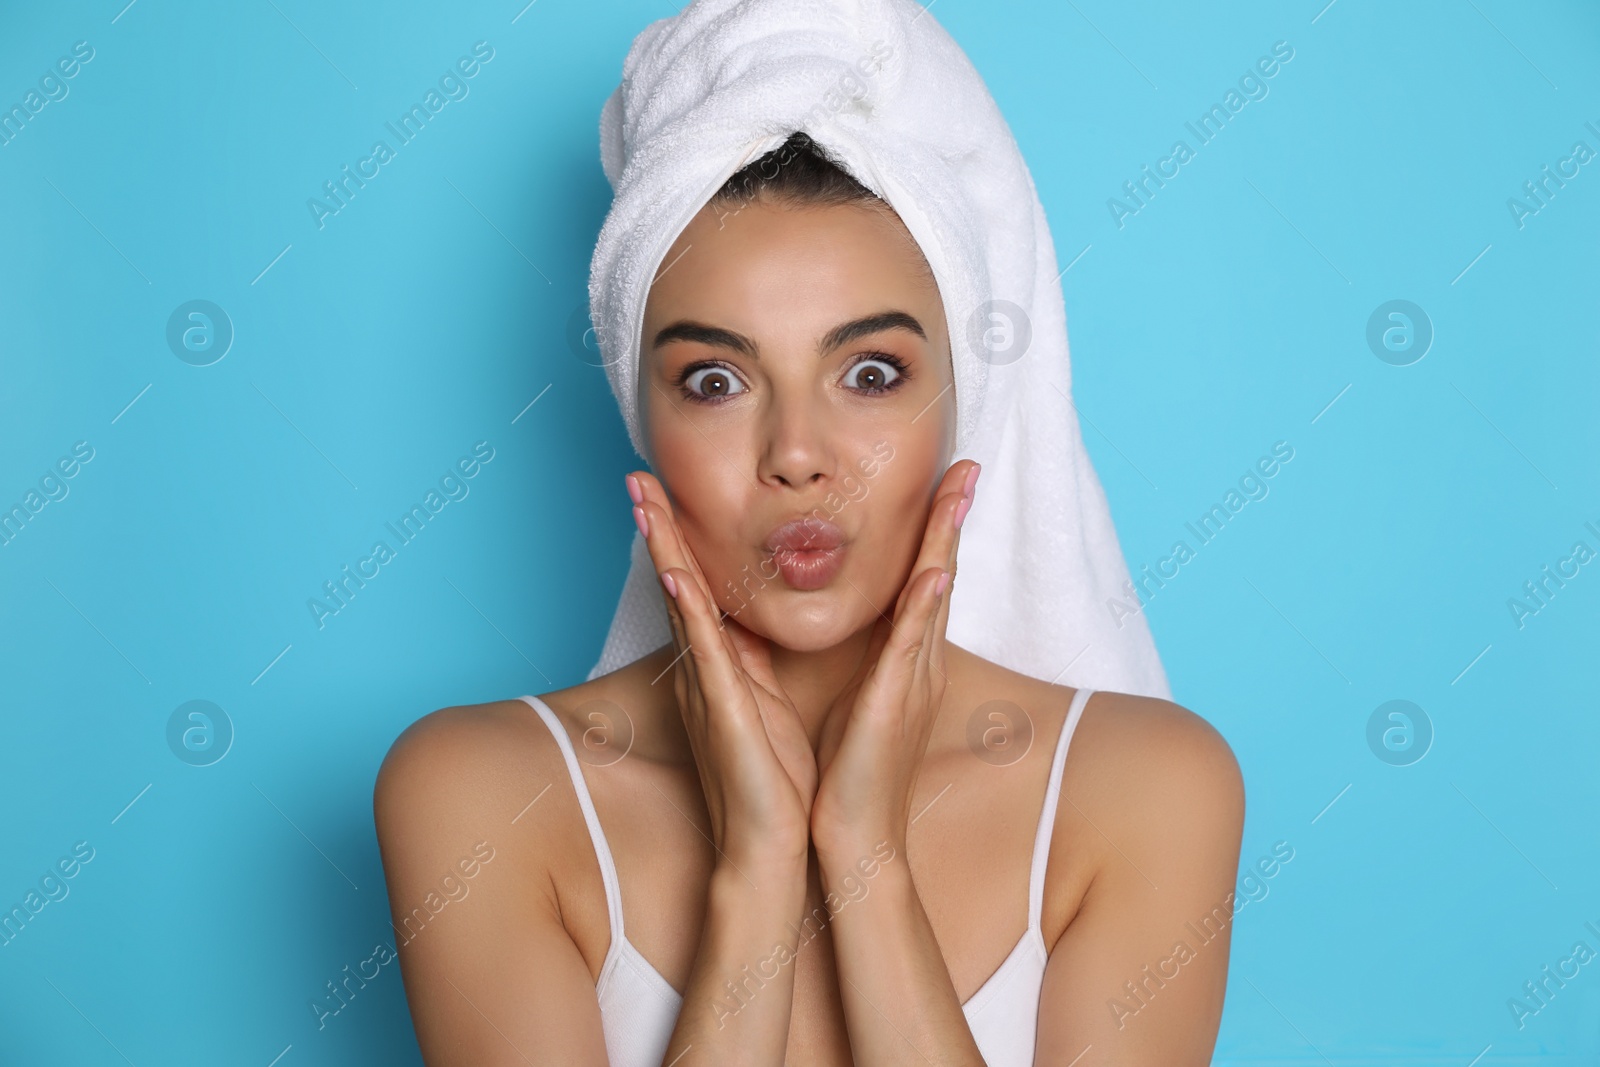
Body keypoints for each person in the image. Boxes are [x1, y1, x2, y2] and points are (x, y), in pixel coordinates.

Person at [374, 128, 1245, 1066]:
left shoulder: (1148, 789)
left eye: (871, 374)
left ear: (966, 402)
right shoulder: (480, 794)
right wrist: (757, 873)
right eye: (715, 380)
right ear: (642, 420)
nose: (796, 453)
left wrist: (865, 858)